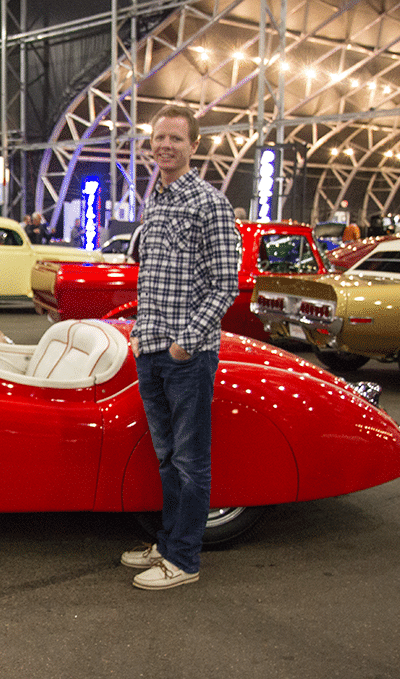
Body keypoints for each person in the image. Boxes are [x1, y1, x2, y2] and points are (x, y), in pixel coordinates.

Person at [121, 104, 240, 591]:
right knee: (167, 458)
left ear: (194, 146)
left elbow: (226, 283)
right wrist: (141, 336)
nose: (165, 145)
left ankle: (185, 559)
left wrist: (184, 345)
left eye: (176, 138)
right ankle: (167, 544)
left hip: (184, 357)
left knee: (190, 461)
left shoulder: (209, 203)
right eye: (159, 138)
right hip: (151, 350)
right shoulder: (159, 199)